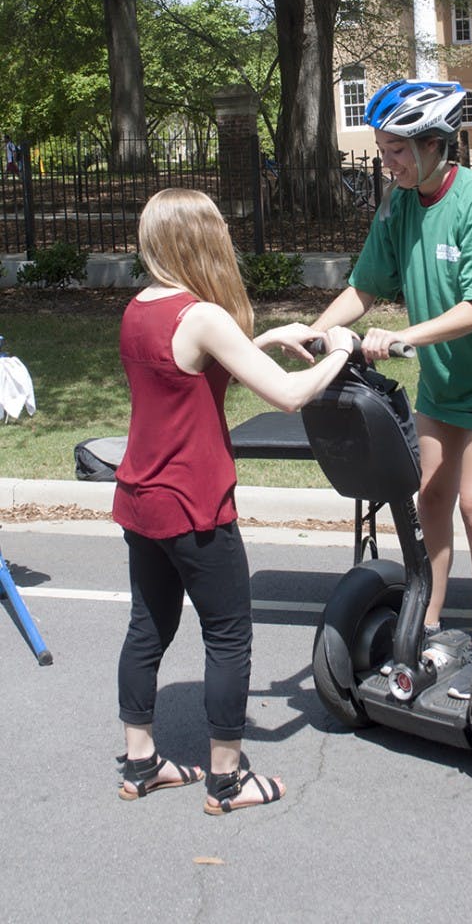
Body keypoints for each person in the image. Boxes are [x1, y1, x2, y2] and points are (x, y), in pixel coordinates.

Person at [113, 187, 355, 813]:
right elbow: (290, 396)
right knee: (227, 636)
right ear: (202, 238)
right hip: (195, 503)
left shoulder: (140, 306)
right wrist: (342, 352)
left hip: (141, 499)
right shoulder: (203, 316)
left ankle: (140, 765)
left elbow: (192, 369)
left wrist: (269, 337)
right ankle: (227, 780)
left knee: (149, 627)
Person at [312, 79, 472, 700]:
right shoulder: (397, 205)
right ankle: (428, 627)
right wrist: (315, 331)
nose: (387, 162)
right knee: (429, 499)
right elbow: (364, 286)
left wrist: (402, 335)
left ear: (437, 144)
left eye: (397, 151)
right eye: (384, 149)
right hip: (445, 380)